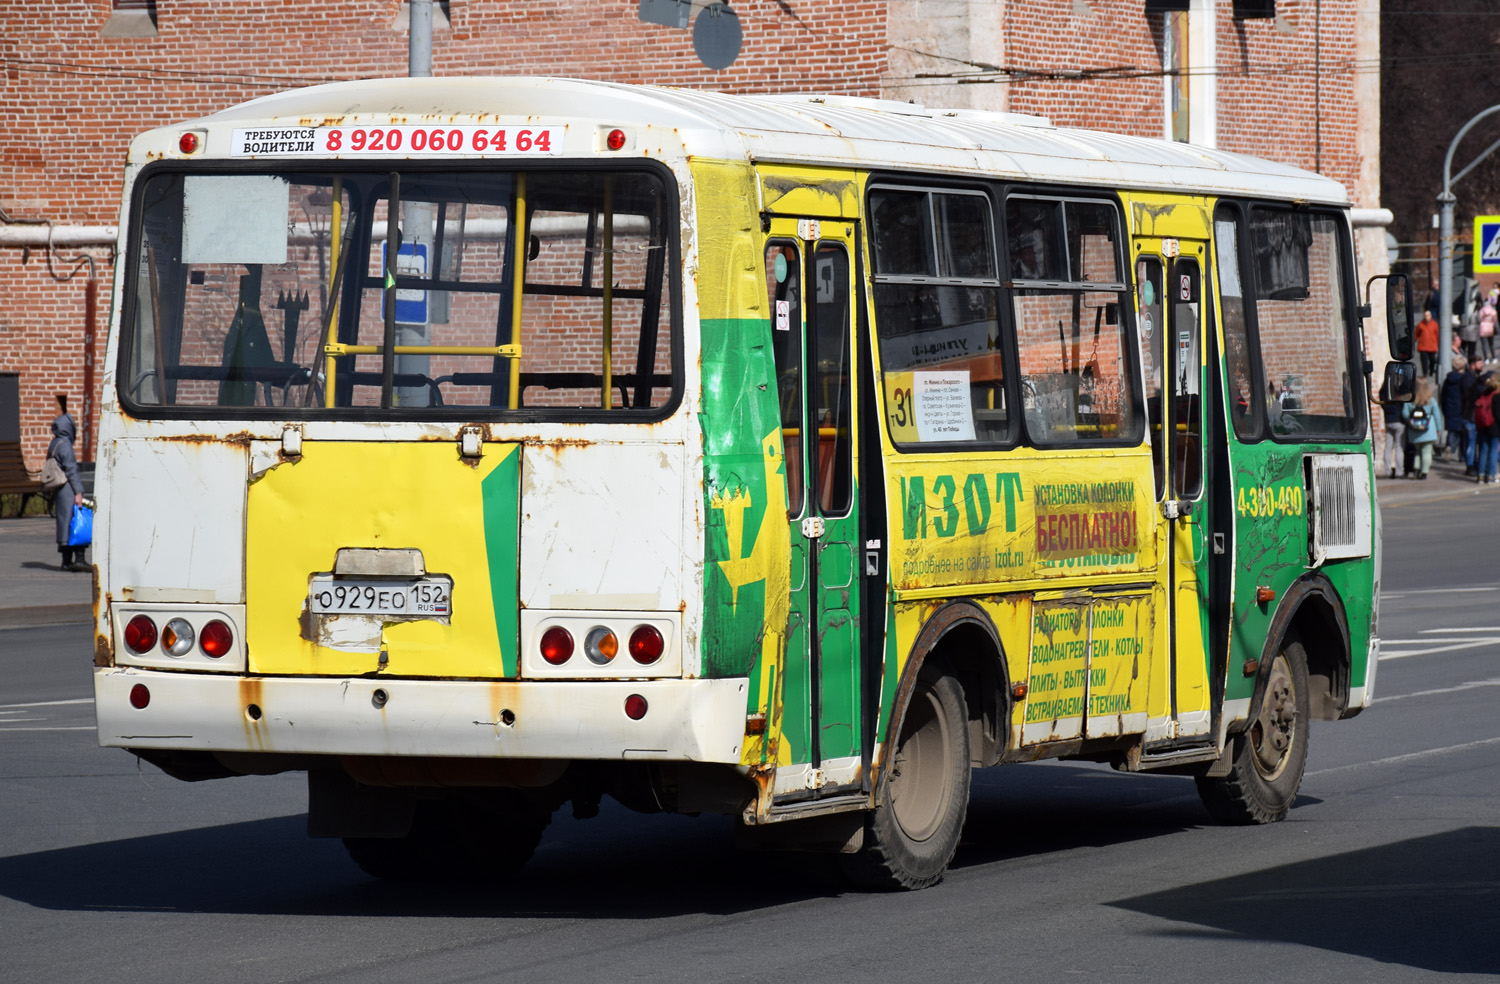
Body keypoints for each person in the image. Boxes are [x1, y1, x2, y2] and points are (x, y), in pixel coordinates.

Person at [46, 409, 87, 571]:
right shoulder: (65, 445)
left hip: (58, 488)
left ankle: (66, 561)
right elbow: (71, 470)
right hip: (67, 488)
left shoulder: (54, 443)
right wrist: (79, 491)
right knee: (75, 521)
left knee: (64, 523)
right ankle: (78, 559)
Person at [1402, 377, 1443, 479]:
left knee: (1417, 451)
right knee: (1427, 451)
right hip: (1428, 428)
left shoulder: (1410, 399)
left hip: (1414, 429)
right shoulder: (1430, 399)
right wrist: (1439, 428)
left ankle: (1416, 468)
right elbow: (1437, 415)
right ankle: (1424, 472)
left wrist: (1412, 421)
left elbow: (1405, 414)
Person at [1441, 355, 1472, 464]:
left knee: (1452, 432)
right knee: (1464, 434)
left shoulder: (1448, 379)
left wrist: (1444, 409)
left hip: (1450, 409)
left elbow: (1443, 396)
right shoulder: (1465, 379)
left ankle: (1449, 446)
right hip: (1462, 409)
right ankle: (1462, 456)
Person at [1475, 375, 1500, 484]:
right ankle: (1491, 475)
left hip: (1483, 425)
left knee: (1484, 450)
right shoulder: (1497, 396)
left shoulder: (1484, 393)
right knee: (1494, 451)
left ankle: (1481, 475)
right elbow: (1498, 414)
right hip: (1495, 427)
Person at [1380, 382, 1406, 479]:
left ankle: (1388, 471)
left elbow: (1382, 403)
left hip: (1388, 420)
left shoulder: (1384, 390)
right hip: (1399, 420)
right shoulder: (1400, 390)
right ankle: (1399, 472)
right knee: (1399, 447)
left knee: (1388, 447)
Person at [1415, 308, 1440, 377]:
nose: (1427, 317)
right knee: (1424, 362)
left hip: (1432, 346)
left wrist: (1438, 345)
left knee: (1432, 360)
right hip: (1423, 346)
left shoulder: (1434, 324)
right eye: (1425, 315)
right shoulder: (1420, 324)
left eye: (1428, 315)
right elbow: (1416, 334)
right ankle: (1425, 373)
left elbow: (1437, 335)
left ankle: (1431, 370)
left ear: (1431, 316)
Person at [1481, 295, 1498, 363]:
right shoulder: (1493, 311)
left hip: (1482, 328)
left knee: (1484, 344)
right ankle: (1493, 358)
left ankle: (1486, 359)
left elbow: (1479, 319)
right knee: (1491, 344)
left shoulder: (1481, 310)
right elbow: (1495, 321)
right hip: (1490, 328)